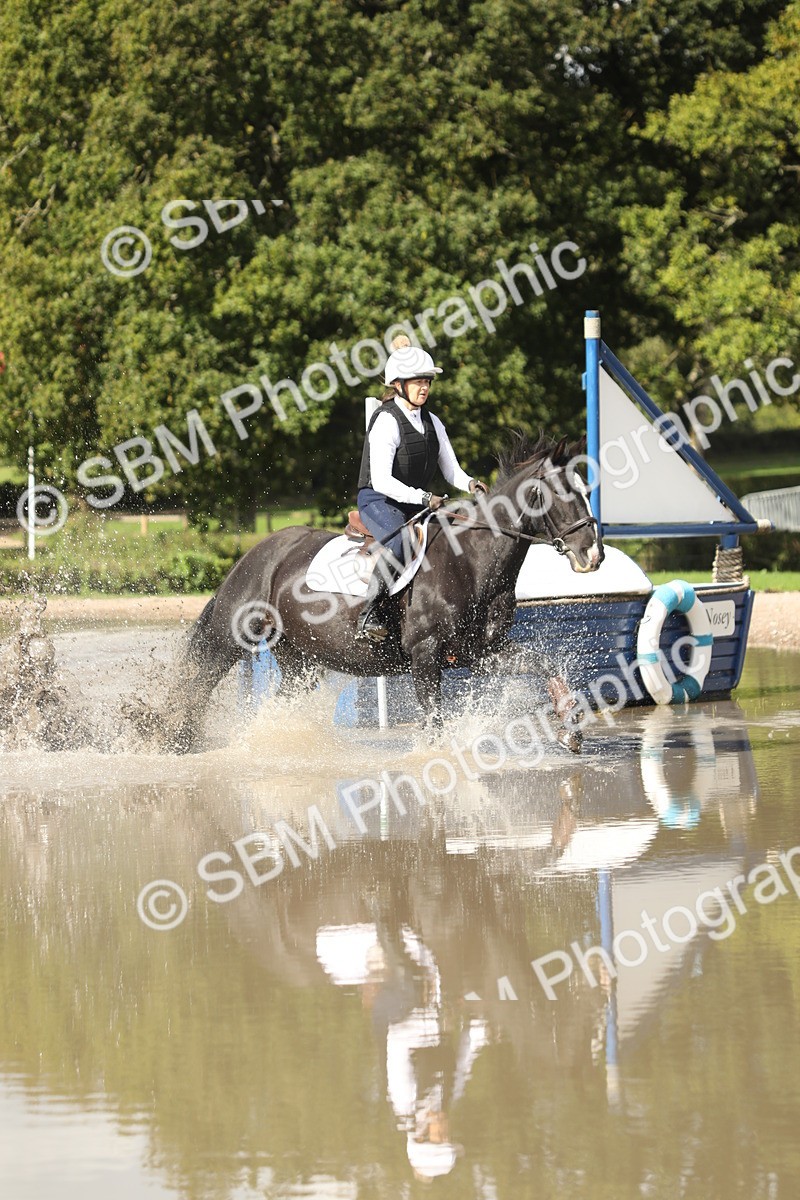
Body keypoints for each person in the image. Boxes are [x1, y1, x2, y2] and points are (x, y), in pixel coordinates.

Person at [356, 339, 487, 642]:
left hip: (414, 501)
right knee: (401, 543)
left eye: (427, 380)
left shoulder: (433, 421)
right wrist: (424, 497)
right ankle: (368, 614)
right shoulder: (387, 421)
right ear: (398, 385)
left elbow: (451, 469)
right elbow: (383, 480)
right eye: (418, 381)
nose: (425, 386)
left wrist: (469, 483)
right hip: (378, 500)